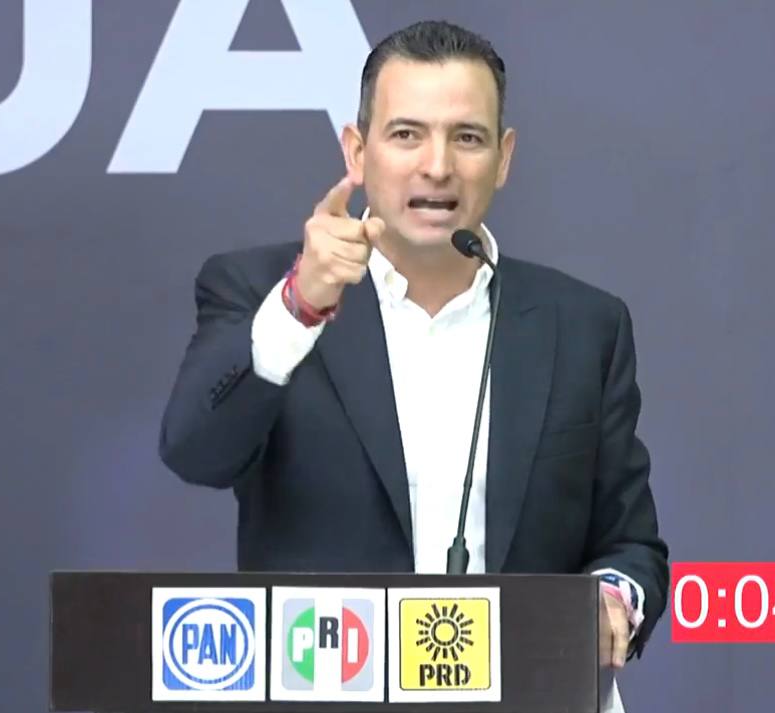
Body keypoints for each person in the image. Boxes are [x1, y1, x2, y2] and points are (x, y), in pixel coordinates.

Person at [158, 19, 669, 708]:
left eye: (467, 137)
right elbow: (195, 452)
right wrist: (301, 306)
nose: (437, 166)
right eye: (406, 134)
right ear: (357, 151)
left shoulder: (584, 325)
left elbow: (630, 542)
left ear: (504, 157)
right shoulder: (261, 293)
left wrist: (612, 598)